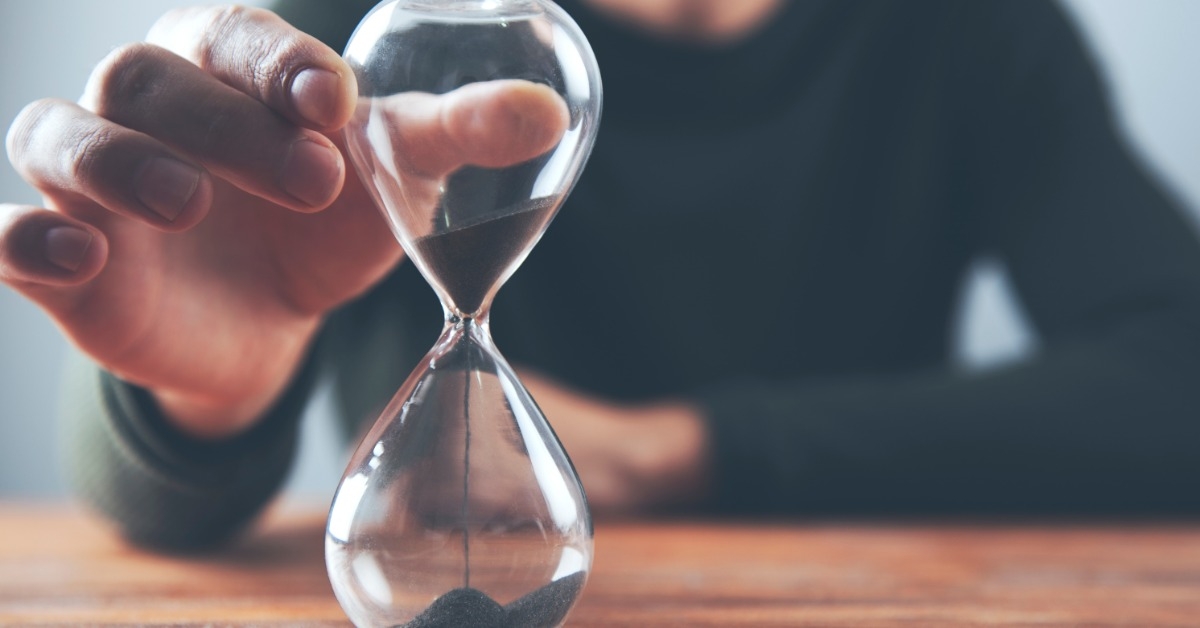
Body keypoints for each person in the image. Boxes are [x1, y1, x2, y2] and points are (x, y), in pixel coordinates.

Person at [3, 0, 1199, 550]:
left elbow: (1178, 380)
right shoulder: (372, 45)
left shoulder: (967, 32)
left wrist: (671, 447)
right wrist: (195, 398)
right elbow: (141, 514)